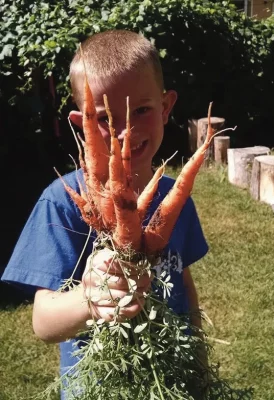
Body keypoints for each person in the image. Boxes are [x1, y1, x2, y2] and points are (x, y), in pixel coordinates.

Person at [1, 30, 208, 397]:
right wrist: (89, 300)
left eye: (141, 110)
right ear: (81, 124)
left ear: (165, 108)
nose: (125, 132)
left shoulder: (175, 197)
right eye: (104, 118)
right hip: (100, 388)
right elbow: (43, 324)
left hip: (170, 381)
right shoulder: (61, 204)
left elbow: (183, 280)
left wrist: (199, 361)